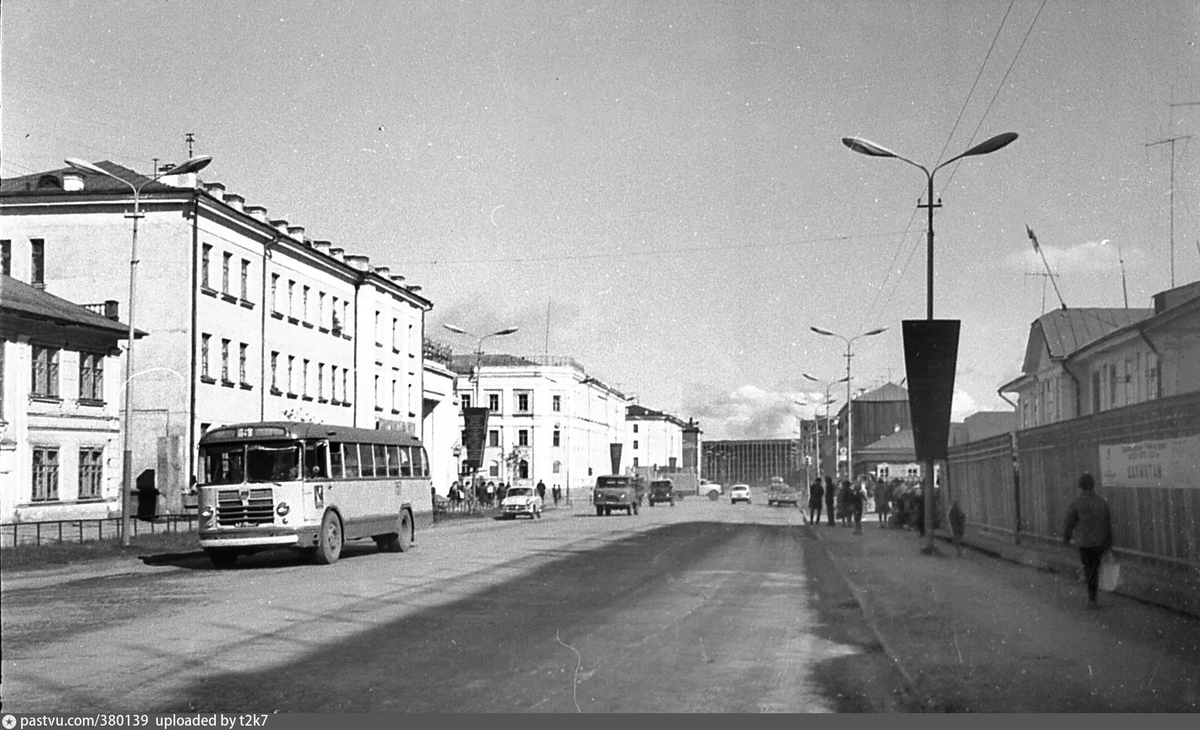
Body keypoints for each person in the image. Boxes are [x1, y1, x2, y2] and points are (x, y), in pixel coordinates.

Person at [1063, 472, 1113, 609]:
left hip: (1084, 542)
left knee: (1088, 567)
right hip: (1099, 542)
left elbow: (1070, 523)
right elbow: (1107, 524)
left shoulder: (1077, 503)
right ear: (1093, 486)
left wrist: (1066, 538)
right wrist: (1108, 543)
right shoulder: (1101, 502)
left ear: (1080, 487)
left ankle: (1091, 598)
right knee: (1095, 568)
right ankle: (1093, 598)